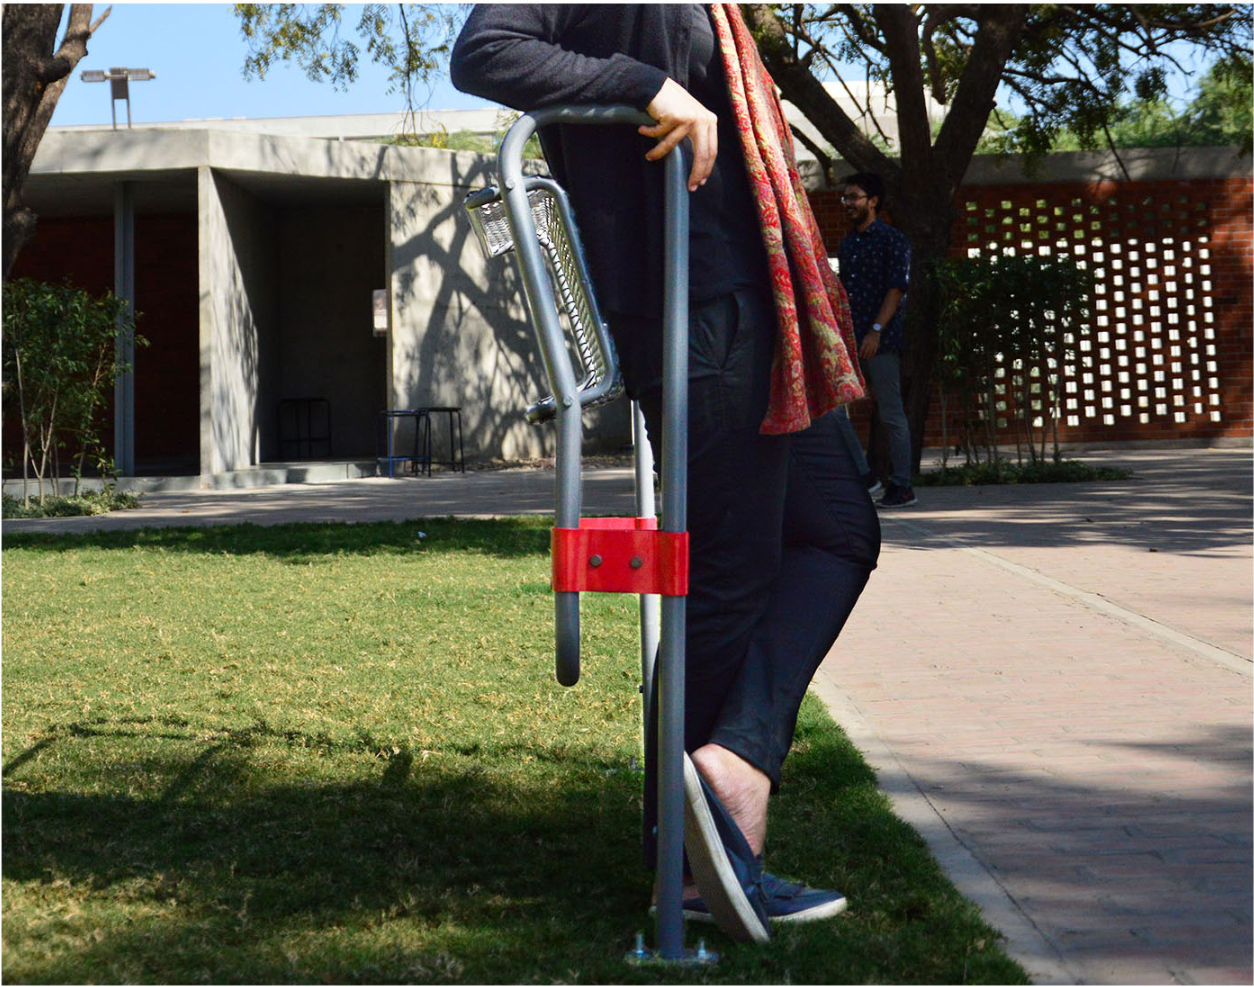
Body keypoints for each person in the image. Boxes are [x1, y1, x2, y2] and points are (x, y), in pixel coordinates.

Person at [452, 4, 879, 942]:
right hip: (693, 306)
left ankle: (730, 764)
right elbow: (485, 51)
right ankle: (693, 869)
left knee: (840, 528)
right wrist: (646, 85)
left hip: (750, 307)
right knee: (728, 575)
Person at [837, 173, 917, 508]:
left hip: (880, 340)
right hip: (849, 340)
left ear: (873, 201)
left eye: (854, 196)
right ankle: (864, 477)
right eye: (846, 197)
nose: (848, 203)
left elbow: (896, 289)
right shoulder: (848, 244)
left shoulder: (892, 240)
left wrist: (875, 331)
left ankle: (902, 486)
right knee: (835, 411)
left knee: (891, 413)